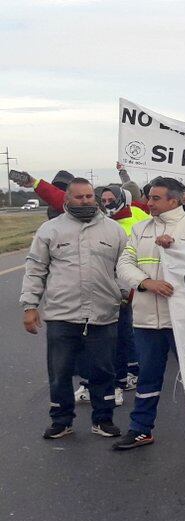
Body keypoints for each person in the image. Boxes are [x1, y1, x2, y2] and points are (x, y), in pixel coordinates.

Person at [112, 177, 185, 451]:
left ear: (174, 200)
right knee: (148, 378)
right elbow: (123, 265)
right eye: (149, 198)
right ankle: (140, 429)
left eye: (155, 198)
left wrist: (177, 247)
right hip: (147, 319)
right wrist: (145, 282)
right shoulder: (139, 230)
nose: (149, 203)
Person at [20, 178, 127, 440]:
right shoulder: (50, 230)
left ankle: (103, 419)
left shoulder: (114, 231)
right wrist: (30, 305)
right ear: (67, 199)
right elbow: (35, 269)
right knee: (60, 371)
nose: (85, 201)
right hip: (62, 315)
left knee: (103, 371)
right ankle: (61, 420)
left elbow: (125, 268)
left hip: (103, 314)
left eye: (90, 196)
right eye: (79, 197)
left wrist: (126, 295)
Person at [98, 184, 148, 404]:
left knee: (124, 333)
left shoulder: (137, 219)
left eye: (111, 199)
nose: (107, 204)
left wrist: (133, 287)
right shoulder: (102, 223)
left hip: (129, 287)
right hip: (104, 288)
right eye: (104, 200)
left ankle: (129, 375)